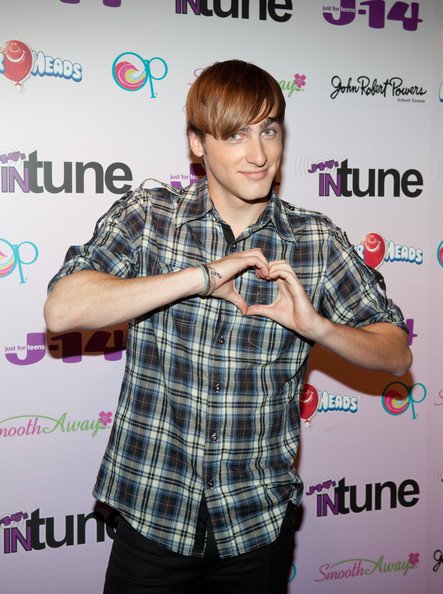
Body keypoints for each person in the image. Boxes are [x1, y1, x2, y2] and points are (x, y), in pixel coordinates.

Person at [44, 60, 412, 594]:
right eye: (236, 135)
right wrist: (200, 277)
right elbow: (62, 310)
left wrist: (318, 327)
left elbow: (397, 353)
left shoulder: (316, 240)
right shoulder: (150, 218)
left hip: (255, 525)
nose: (259, 154)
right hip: (153, 513)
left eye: (269, 130)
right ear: (197, 143)